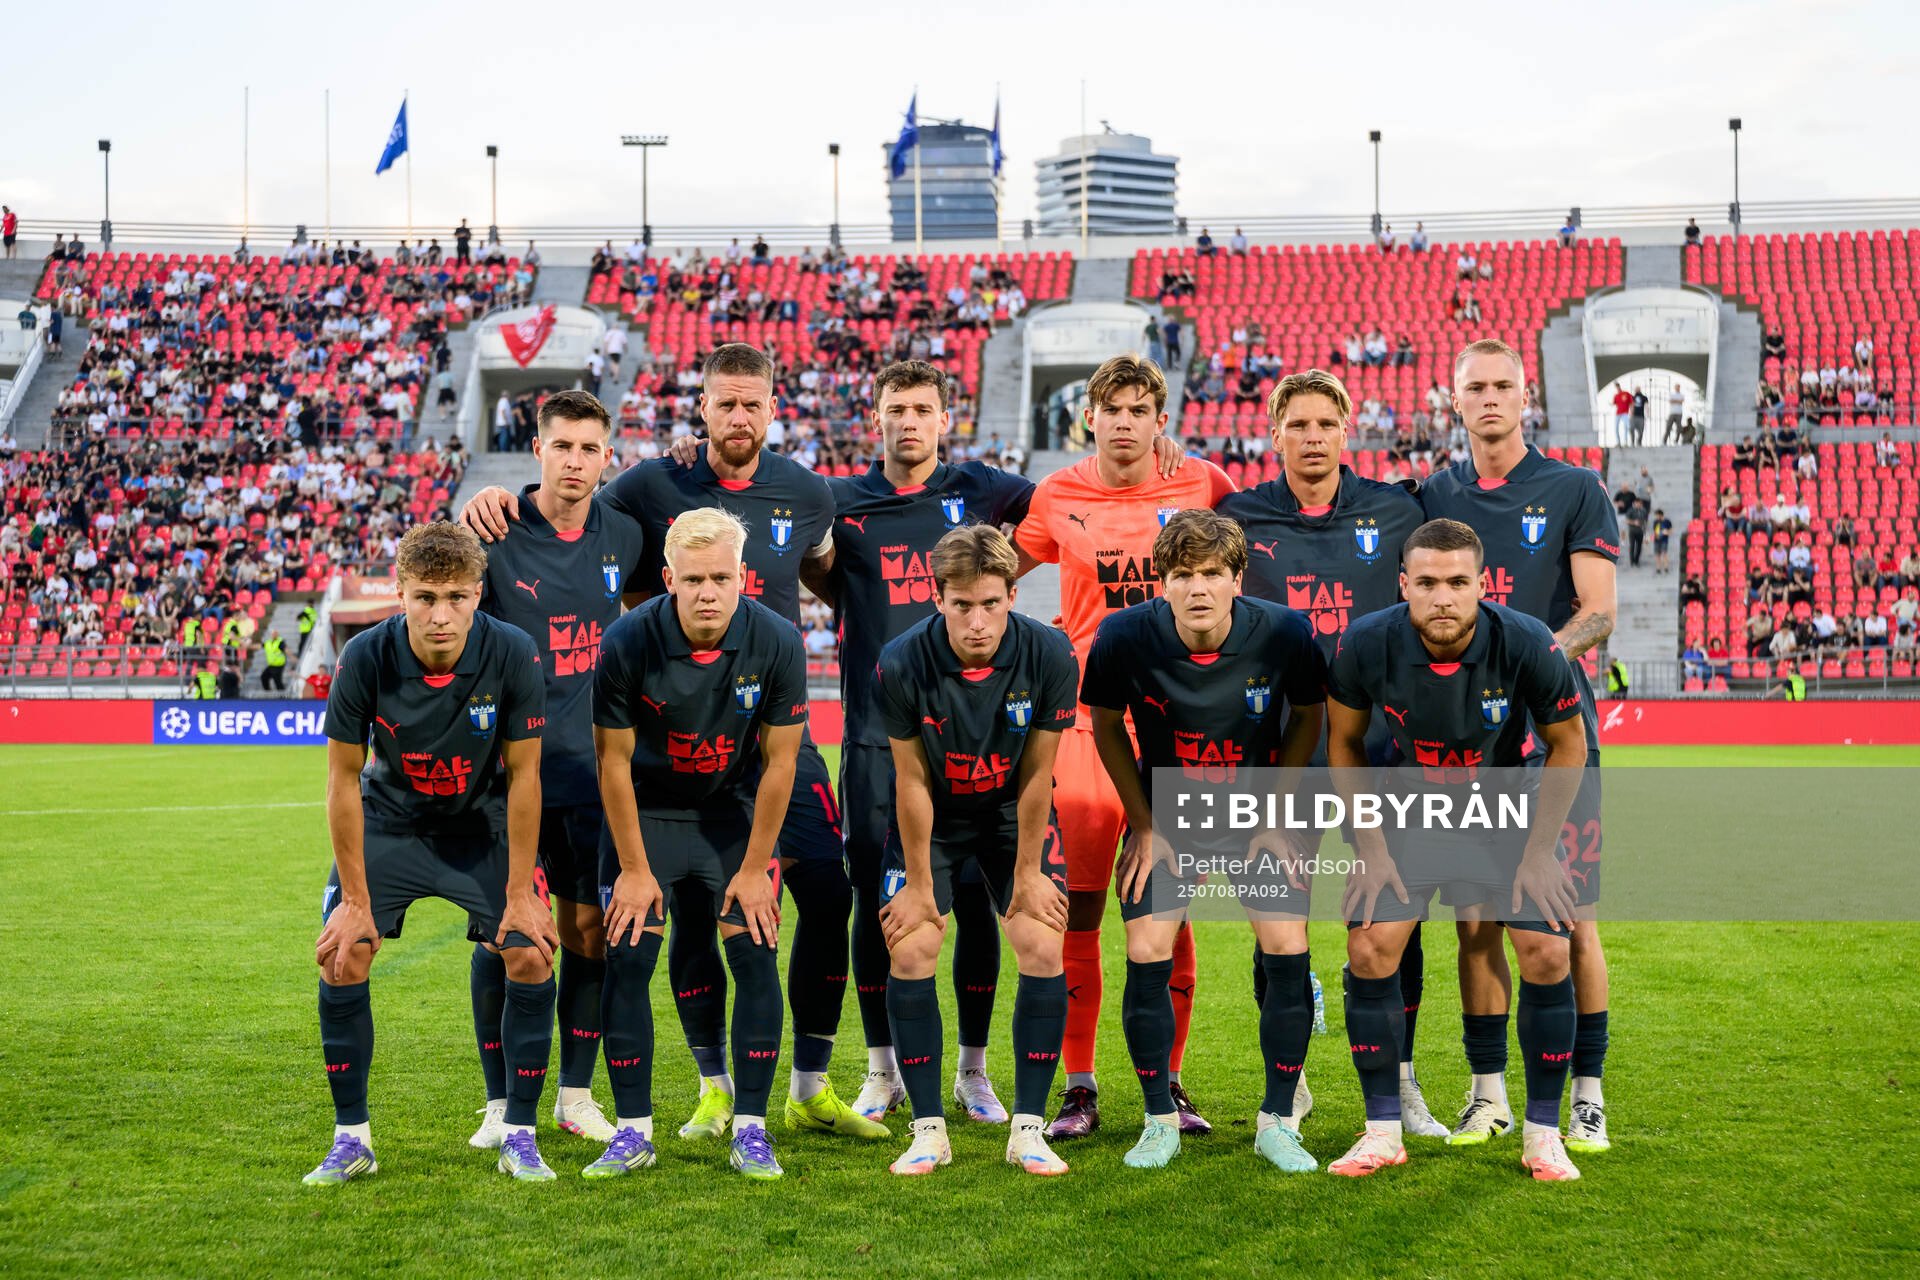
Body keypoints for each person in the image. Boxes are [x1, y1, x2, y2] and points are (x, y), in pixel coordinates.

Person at [460, 344, 874, 1142]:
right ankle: (714, 1087)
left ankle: (813, 1084)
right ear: (704, 407)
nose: (739, 417)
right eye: (725, 404)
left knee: (829, 893)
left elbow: (830, 572)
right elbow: (565, 513)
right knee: (677, 910)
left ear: (773, 406)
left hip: (776, 728)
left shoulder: (807, 490)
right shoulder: (653, 487)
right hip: (674, 738)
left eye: (753, 403)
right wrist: (496, 496)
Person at [801, 361, 1040, 1125]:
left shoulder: (985, 491)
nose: (909, 421)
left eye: (923, 409)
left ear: (946, 419)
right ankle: (883, 1071)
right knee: (885, 907)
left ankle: (972, 1070)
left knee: (973, 904)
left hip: (977, 740)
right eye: (896, 408)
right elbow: (808, 565)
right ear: (875, 419)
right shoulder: (839, 502)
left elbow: (1066, 507)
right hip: (875, 739)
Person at [1214, 367, 1447, 1137]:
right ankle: (1293, 1079)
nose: (1312, 438)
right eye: (1298, 425)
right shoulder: (1238, 517)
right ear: (1274, 433)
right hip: (1277, 754)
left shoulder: (1396, 505)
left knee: (1392, 916)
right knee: (1277, 918)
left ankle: (1403, 1081)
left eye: (1326, 425)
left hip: (1382, 751)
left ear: (1346, 432)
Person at [1322, 518, 1589, 1181]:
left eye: (1459, 583)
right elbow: (1345, 744)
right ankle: (1382, 1130)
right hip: (1411, 805)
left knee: (1549, 948)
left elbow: (1569, 744)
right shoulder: (1365, 644)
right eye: (1430, 583)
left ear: (1482, 585)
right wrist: (1371, 848)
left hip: (1502, 807)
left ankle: (1542, 1133)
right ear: (1405, 584)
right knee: (1370, 945)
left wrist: (1539, 854)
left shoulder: (1525, 642)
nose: (1444, 598)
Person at [1012, 354, 1237, 1142]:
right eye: (1111, 408)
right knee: (1077, 911)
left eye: (1141, 409)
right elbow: (1002, 567)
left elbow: (1265, 536)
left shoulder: (1202, 484)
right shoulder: (1057, 493)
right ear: (1091, 418)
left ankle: (1168, 1083)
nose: (1125, 421)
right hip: (1083, 721)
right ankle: (1080, 1088)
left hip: (1176, 725)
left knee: (1169, 915)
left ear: (1159, 421)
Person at [305, 522, 555, 1186]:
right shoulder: (364, 656)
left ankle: (520, 1136)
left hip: (481, 825)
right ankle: (351, 1139)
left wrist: (524, 891)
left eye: (455, 596)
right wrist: (356, 903)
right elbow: (341, 781)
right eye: (423, 598)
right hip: (392, 823)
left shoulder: (513, 653)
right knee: (342, 953)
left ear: (478, 594)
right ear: (400, 593)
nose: (440, 614)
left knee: (529, 950)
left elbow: (526, 776)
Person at [1081, 510, 1327, 1172]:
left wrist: (1275, 813)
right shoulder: (1123, 636)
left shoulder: (1284, 632)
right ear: (1160, 581)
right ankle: (1159, 1119)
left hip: (1256, 813)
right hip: (1169, 815)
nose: (1198, 588)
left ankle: (1277, 1122)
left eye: (1213, 574)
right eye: (1183, 574)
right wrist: (1143, 823)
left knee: (1286, 943)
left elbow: (1309, 714)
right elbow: (1105, 725)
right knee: (1146, 943)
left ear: (1236, 578)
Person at [1420, 338, 1619, 1155]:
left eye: (1505, 385)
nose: (1491, 398)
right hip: (1463, 744)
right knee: (1475, 922)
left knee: (1565, 927)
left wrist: (1531, 663)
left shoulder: (1574, 487)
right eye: (1477, 387)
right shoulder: (1433, 491)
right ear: (1454, 400)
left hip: (1551, 737)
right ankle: (1486, 1095)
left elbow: (1600, 611)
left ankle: (1588, 1095)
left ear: (1525, 396)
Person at [586, 507, 808, 1181]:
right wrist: (631, 867)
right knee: (626, 955)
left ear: (743, 576)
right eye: (693, 579)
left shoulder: (777, 641)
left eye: (721, 577)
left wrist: (752, 870)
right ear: (668, 579)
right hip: (647, 812)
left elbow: (780, 764)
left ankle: (752, 1128)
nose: (708, 592)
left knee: (755, 949)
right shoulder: (627, 640)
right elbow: (612, 762)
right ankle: (632, 1132)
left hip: (732, 812)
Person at [465, 391, 649, 1152]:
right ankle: (499, 1100)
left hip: (593, 771)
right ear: (536, 449)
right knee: (499, 933)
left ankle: (576, 1094)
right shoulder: (495, 531)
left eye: (590, 449)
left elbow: (650, 619)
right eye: (562, 446)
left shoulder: (630, 534)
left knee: (588, 935)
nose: (575, 462)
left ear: (608, 458)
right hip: (509, 774)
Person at [874, 525, 1079, 1176]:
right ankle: (929, 1129)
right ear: (938, 598)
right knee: (911, 946)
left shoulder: (1050, 654)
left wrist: (1026, 874)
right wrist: (917, 883)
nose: (978, 620)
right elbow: (910, 781)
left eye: (991, 603)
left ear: (1013, 594)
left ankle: (1028, 1128)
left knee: (1044, 941)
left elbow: (1039, 776)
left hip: (1007, 815)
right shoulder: (902, 660)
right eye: (962, 604)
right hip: (931, 819)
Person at [1651, 509, 1673, 575]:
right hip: (1657, 540)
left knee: (1664, 553)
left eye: (1657, 515)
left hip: (1664, 540)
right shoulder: (1655, 522)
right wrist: (1652, 538)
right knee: (1657, 554)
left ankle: (1666, 567)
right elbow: (1655, 531)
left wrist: (1667, 532)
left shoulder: (1667, 521)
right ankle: (1658, 568)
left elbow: (1671, 530)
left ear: (1660, 515)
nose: (1656, 517)